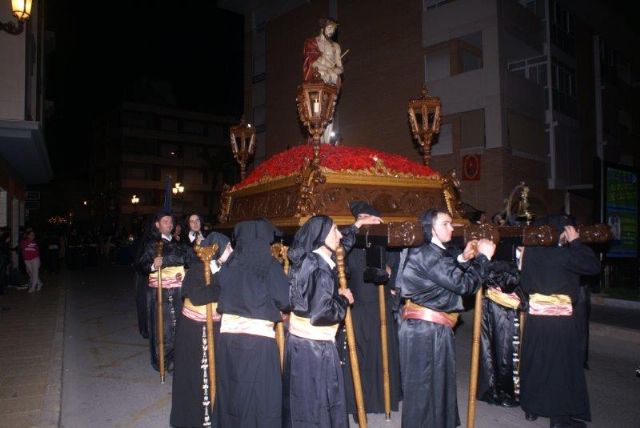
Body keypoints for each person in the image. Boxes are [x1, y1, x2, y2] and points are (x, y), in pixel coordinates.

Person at [396, 208, 496, 428]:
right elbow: (464, 284)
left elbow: (445, 275)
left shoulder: (433, 252)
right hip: (423, 329)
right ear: (431, 229)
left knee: (438, 385)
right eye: (446, 223)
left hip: (431, 327)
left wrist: (463, 258)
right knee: (422, 390)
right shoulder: (426, 254)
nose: (452, 227)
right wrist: (484, 258)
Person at [283, 213, 381, 428]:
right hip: (316, 348)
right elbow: (323, 314)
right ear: (321, 236)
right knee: (319, 401)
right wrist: (343, 300)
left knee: (301, 399)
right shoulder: (321, 271)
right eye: (334, 230)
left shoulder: (307, 259)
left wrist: (356, 225)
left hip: (298, 344)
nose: (339, 234)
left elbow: (340, 246)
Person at [519, 215, 600, 428]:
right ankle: (560, 417)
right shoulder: (564, 254)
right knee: (561, 368)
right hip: (560, 320)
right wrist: (575, 242)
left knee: (536, 363)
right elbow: (592, 266)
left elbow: (525, 285)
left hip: (536, 319)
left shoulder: (530, 253)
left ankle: (532, 408)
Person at [215, 219, 290, 427]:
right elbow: (285, 299)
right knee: (260, 396)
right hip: (258, 343)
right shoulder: (269, 265)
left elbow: (219, 289)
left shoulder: (229, 265)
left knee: (232, 389)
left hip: (228, 340)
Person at [341, 201, 401, 417]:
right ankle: (360, 401)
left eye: (369, 216)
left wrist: (390, 272)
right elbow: (342, 264)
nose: (365, 220)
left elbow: (393, 262)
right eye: (361, 217)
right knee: (361, 352)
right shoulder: (350, 240)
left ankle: (381, 399)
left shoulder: (381, 237)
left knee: (381, 350)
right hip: (359, 306)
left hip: (380, 303)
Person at [170, 232, 232, 428]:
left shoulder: (222, 269)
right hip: (195, 332)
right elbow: (196, 296)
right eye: (229, 247)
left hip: (213, 327)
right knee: (196, 379)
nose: (232, 250)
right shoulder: (198, 268)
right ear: (217, 249)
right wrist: (223, 289)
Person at [136, 210, 187, 373]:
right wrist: (153, 265)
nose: (169, 224)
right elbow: (141, 265)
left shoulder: (177, 242)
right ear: (157, 225)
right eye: (165, 221)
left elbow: (186, 258)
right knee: (162, 329)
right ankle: (163, 362)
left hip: (177, 291)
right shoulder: (151, 244)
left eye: (171, 222)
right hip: (160, 293)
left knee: (177, 326)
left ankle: (177, 359)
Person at [477, 259, 523, 408]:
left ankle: (503, 390)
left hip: (508, 305)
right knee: (496, 350)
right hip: (497, 305)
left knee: (504, 351)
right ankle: (496, 390)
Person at [303, 18, 343, 86]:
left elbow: (340, 68)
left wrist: (335, 70)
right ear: (322, 28)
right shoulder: (311, 43)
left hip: (331, 75)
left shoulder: (336, 46)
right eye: (329, 28)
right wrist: (328, 69)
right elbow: (312, 62)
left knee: (333, 77)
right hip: (317, 75)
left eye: (334, 29)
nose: (332, 31)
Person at [20, 228, 43, 293]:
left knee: (35, 273)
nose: (33, 236)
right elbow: (22, 250)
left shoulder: (35, 242)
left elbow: (37, 252)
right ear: (28, 235)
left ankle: (33, 287)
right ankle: (39, 283)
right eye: (31, 235)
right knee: (30, 273)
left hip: (35, 259)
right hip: (27, 260)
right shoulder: (23, 242)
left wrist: (39, 261)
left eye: (33, 235)